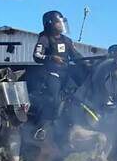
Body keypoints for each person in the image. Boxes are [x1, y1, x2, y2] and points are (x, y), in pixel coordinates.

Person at [33, 10, 84, 140]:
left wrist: (88, 62)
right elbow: (37, 55)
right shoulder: (44, 38)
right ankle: (41, 128)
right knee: (54, 99)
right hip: (52, 74)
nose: (61, 25)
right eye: (58, 22)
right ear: (50, 24)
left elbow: (76, 55)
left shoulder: (67, 40)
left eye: (62, 22)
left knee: (79, 95)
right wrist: (51, 58)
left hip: (66, 75)